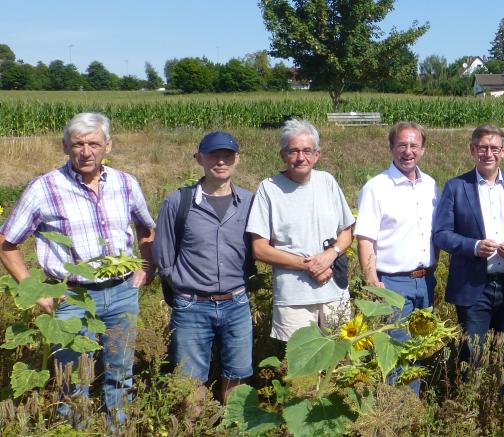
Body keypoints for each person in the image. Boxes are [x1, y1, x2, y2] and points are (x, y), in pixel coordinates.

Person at [0, 112, 155, 423]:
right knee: (71, 379)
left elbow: (146, 228)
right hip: (70, 297)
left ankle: (118, 427)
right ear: (65, 147)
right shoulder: (44, 187)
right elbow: (7, 243)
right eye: (78, 144)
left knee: (120, 373)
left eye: (94, 144)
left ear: (108, 146)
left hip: (123, 292)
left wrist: (147, 267)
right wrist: (35, 291)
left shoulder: (126, 183)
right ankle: (75, 429)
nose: (86, 152)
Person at [152, 131, 254, 402]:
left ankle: (233, 426)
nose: (220, 161)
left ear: (237, 160)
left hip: (237, 303)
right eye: (213, 155)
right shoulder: (178, 201)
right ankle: (195, 426)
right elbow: (163, 255)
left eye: (227, 155)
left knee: (238, 373)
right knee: (190, 378)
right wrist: (184, 286)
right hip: (192, 305)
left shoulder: (250, 202)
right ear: (199, 158)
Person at [433, 124, 504, 359]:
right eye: (482, 148)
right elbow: (441, 233)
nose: (488, 154)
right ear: (472, 150)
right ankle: (471, 395)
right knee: (472, 355)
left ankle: (503, 396)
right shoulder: (456, 187)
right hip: (473, 287)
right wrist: (474, 246)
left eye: (494, 148)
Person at [247, 118, 355, 345]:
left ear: (317, 154)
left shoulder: (327, 182)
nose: (300, 157)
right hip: (294, 298)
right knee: (301, 370)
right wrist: (308, 266)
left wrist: (330, 255)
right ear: (283, 155)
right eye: (293, 151)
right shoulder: (269, 188)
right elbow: (259, 249)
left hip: (335, 293)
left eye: (307, 150)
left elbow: (347, 231)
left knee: (340, 364)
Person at [354, 121, 437, 391]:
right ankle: (397, 411)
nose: (408, 151)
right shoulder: (376, 187)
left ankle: (413, 408)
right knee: (396, 353)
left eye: (414, 145)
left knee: (420, 349)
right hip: (392, 283)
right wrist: (372, 280)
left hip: (426, 281)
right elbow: (365, 238)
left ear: (423, 150)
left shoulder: (431, 186)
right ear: (391, 148)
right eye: (402, 145)